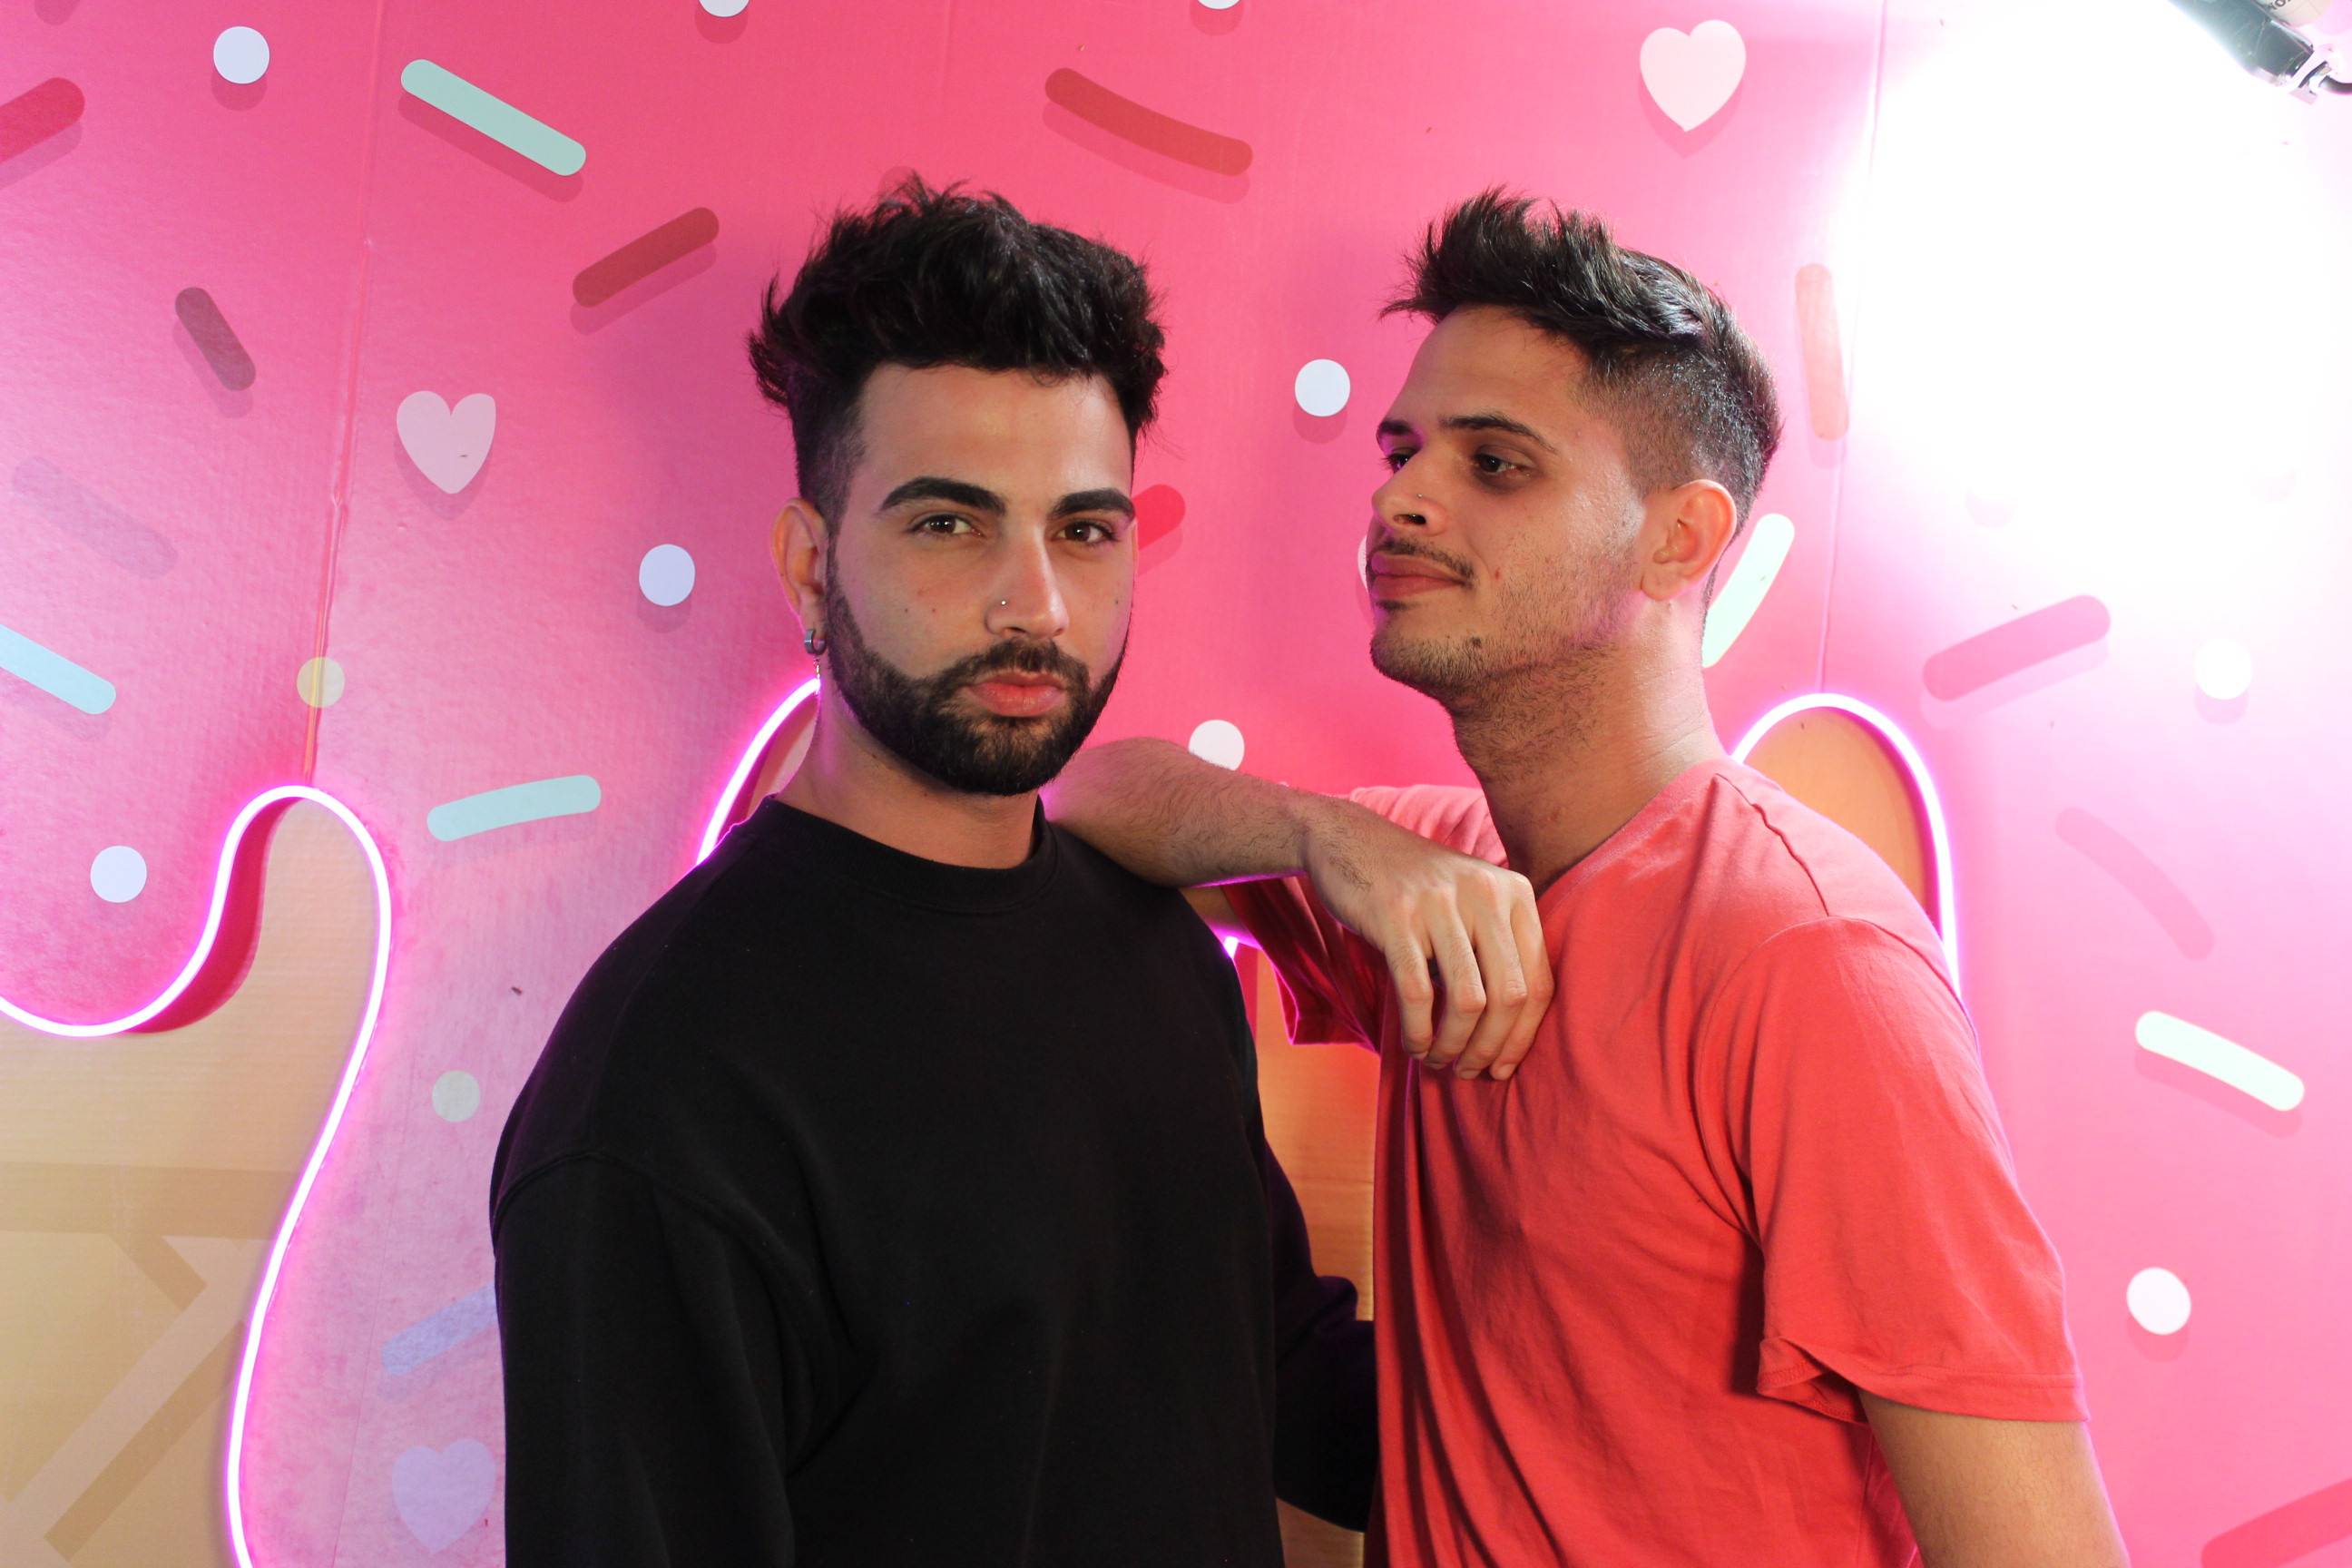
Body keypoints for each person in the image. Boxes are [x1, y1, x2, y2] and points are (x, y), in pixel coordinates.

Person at [1048, 191, 2129, 1565]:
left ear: (1679, 540)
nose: (1400, 498)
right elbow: (1082, 797)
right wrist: (1325, 835)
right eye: (1403, 450)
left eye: (1497, 463)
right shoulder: (1427, 875)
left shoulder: (1810, 959)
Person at [489, 178, 1379, 1567]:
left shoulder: (1158, 948)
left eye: (1084, 530)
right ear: (809, 567)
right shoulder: (664, 1094)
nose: (1037, 603)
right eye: (949, 524)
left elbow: (1269, 1378)